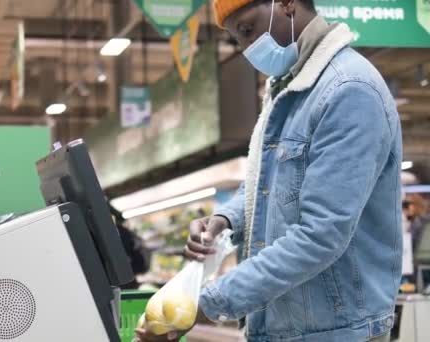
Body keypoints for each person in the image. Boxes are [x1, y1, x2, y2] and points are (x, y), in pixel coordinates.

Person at [136, 0, 402, 341]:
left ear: (288, 4)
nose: (247, 49)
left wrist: (203, 305)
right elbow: (269, 182)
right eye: (237, 39)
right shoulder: (286, 89)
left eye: (247, 30)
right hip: (284, 326)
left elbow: (320, 235)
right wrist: (226, 220)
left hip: (334, 332)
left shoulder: (348, 90)